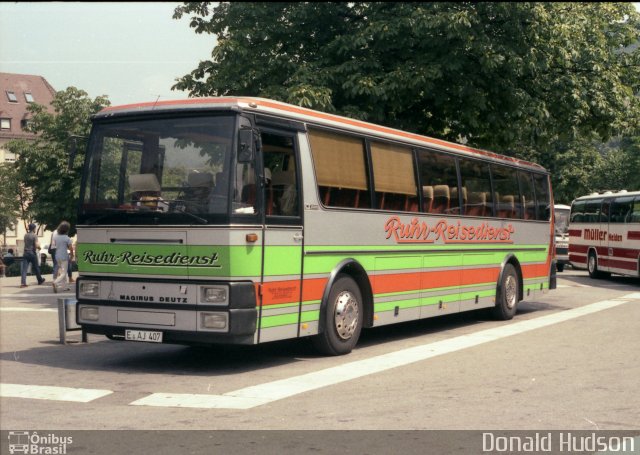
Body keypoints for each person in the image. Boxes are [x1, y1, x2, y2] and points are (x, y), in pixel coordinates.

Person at [20, 224, 46, 288]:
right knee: (36, 267)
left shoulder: (25, 235)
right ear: (34, 228)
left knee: (24, 269)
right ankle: (40, 280)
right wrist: (39, 248)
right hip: (32, 253)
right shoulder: (34, 236)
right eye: (35, 228)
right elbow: (36, 245)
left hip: (25, 253)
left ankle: (23, 283)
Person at [52, 221, 75, 293]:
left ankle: (65, 287)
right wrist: (72, 256)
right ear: (67, 229)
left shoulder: (55, 237)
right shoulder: (67, 238)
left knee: (62, 271)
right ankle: (55, 282)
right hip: (64, 256)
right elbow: (71, 248)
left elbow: (54, 245)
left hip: (57, 255)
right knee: (64, 273)